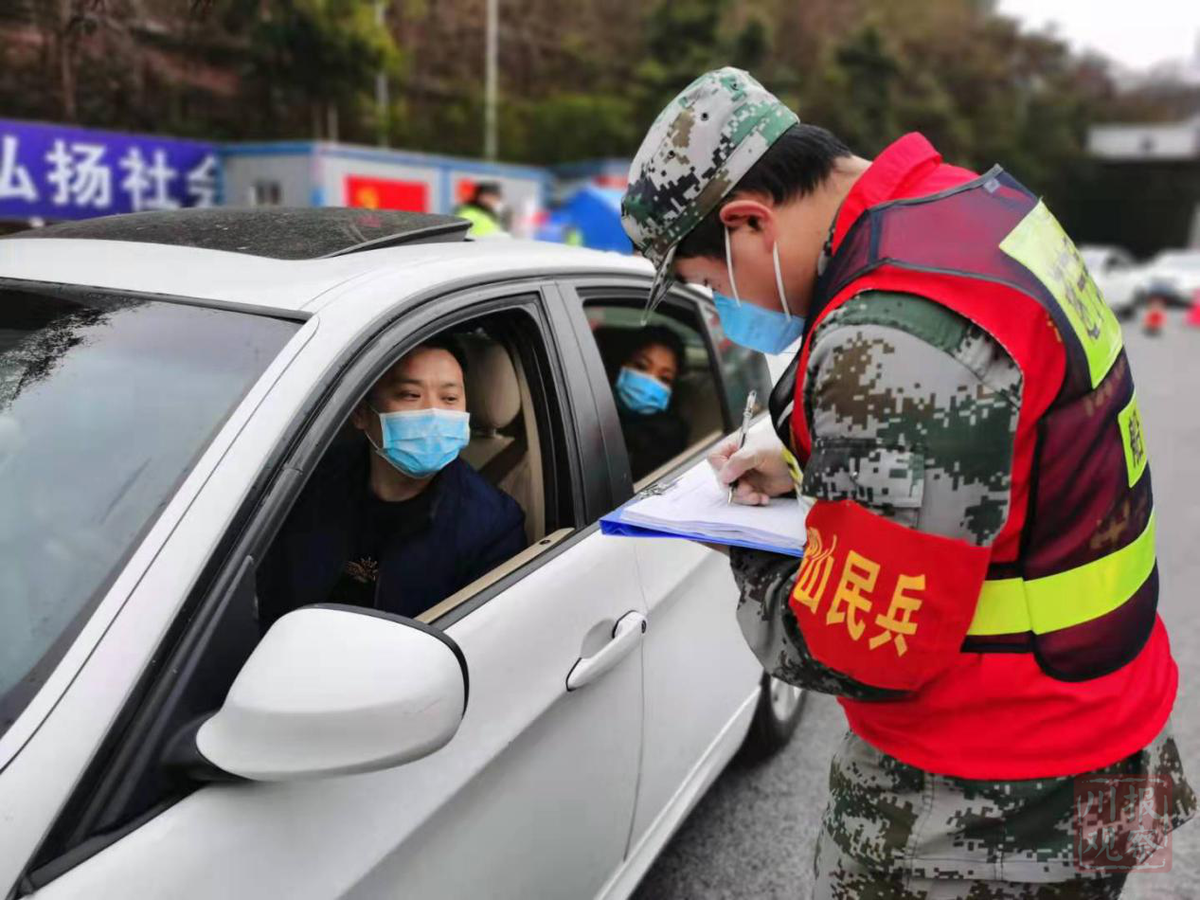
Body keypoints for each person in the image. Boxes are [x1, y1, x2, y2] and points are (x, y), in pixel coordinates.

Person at [620, 68, 1193, 898]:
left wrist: (745, 555)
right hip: (1104, 724)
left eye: (711, 284)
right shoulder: (974, 211)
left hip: (994, 792)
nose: (718, 309)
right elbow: (1002, 422)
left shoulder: (893, 326)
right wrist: (817, 456)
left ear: (751, 220)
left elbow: (868, 645)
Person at [257, 336, 526, 626]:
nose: (432, 413)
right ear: (362, 413)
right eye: (410, 395)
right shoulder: (308, 483)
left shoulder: (492, 524)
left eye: (449, 398)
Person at [610, 325, 689, 480]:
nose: (649, 382)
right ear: (622, 365)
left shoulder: (670, 438)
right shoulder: (585, 406)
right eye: (641, 366)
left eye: (664, 378)